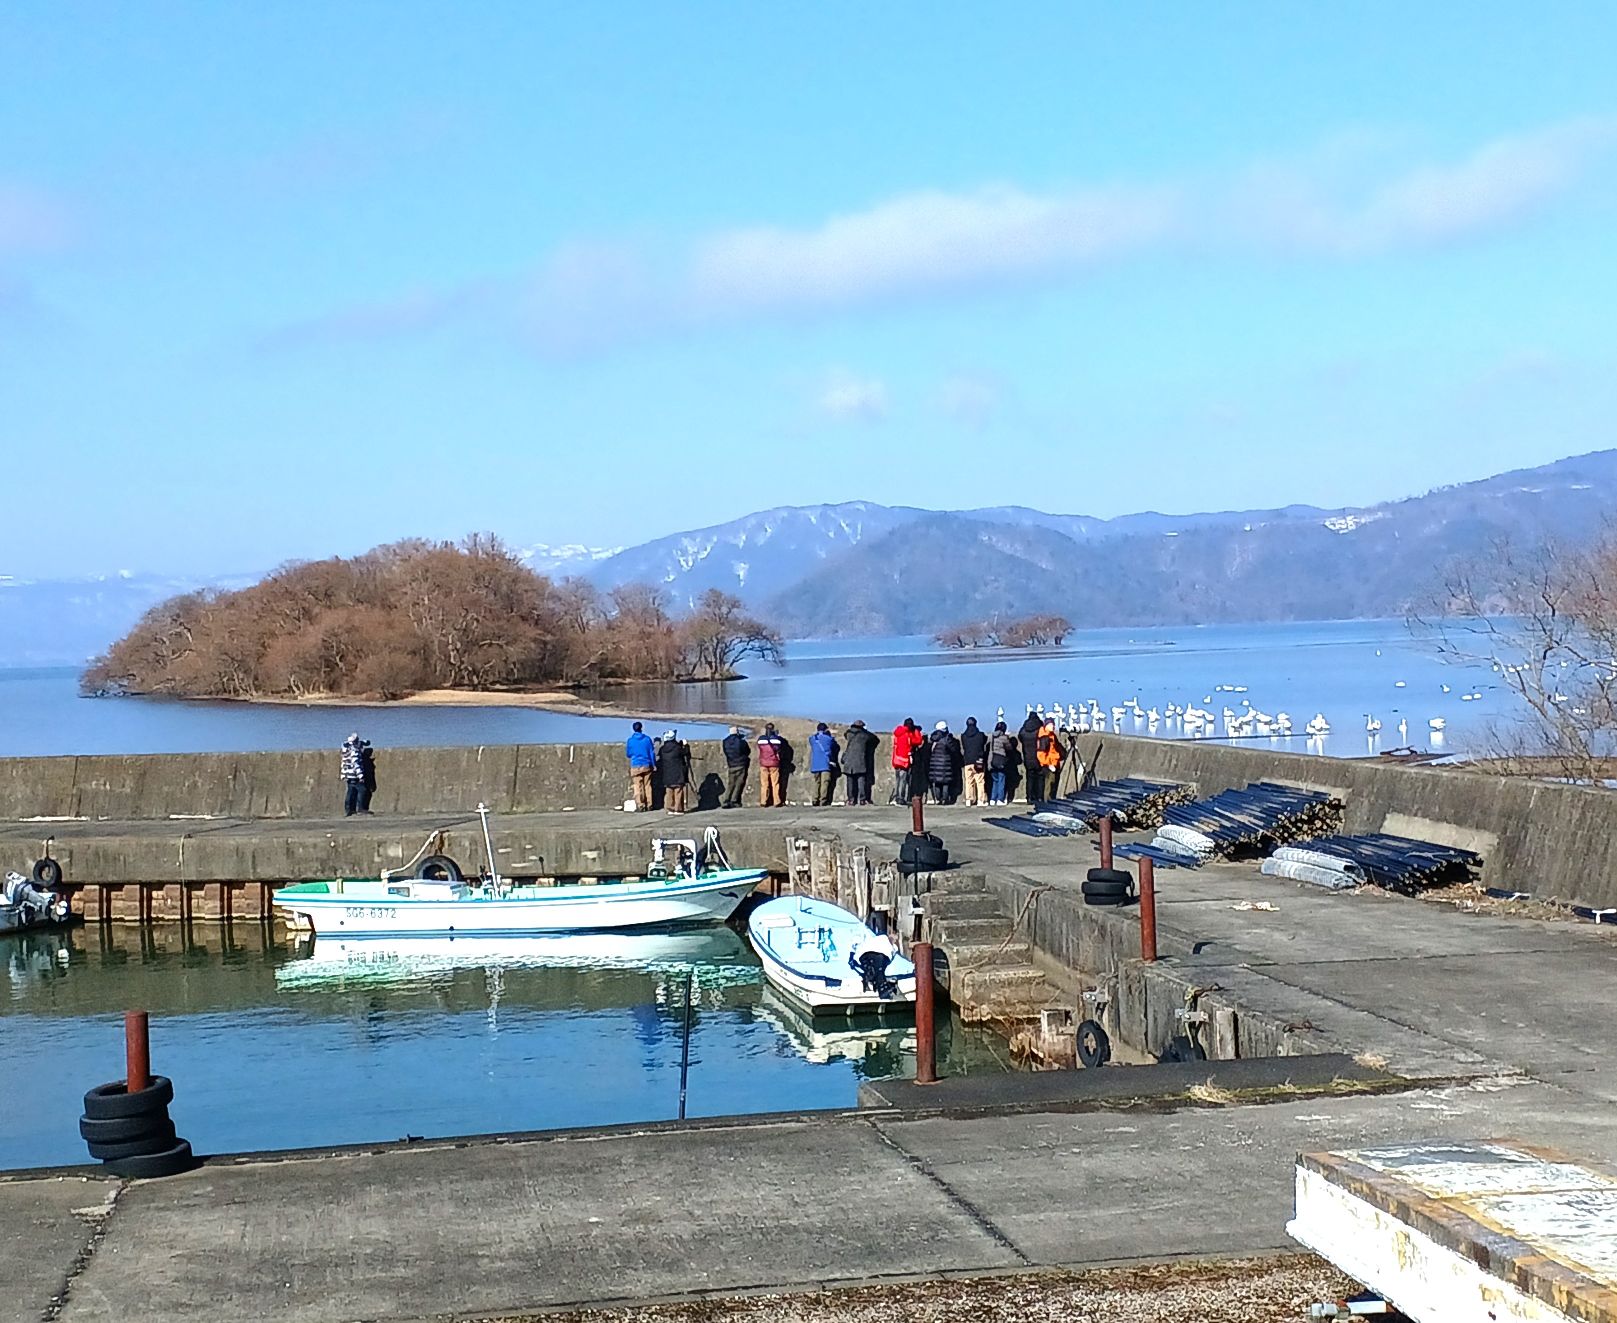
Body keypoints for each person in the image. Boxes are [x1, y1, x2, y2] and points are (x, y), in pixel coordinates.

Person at [841, 719, 879, 805]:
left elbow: (845, 735)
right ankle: (862, 799)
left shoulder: (849, 734)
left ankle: (851, 799)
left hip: (849, 761)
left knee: (850, 782)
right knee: (861, 781)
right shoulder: (864, 735)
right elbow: (875, 739)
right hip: (860, 761)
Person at [926, 720, 962, 805]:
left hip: (934, 764)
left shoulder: (933, 739)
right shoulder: (946, 739)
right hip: (945, 764)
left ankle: (938, 799)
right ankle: (944, 799)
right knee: (945, 782)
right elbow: (953, 750)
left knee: (937, 782)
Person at [890, 717, 924, 805]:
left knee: (898, 779)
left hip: (897, 759)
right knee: (903, 780)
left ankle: (897, 797)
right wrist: (917, 731)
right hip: (904, 760)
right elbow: (918, 741)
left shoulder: (898, 733)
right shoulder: (908, 734)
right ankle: (901, 798)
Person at [656, 729, 691, 814]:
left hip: (667, 774)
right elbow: (685, 753)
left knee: (669, 791)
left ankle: (669, 808)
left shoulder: (662, 749)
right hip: (678, 773)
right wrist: (686, 745)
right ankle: (678, 809)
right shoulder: (677, 748)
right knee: (678, 790)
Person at [624, 721, 656, 811]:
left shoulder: (630, 741)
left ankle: (641, 805)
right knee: (647, 785)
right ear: (641, 728)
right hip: (646, 764)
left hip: (635, 765)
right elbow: (651, 753)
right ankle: (650, 804)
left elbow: (628, 754)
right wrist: (653, 764)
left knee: (638, 786)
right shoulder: (647, 739)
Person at [959, 716, 988, 807]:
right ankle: (981, 800)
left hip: (968, 760)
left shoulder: (963, 736)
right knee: (979, 781)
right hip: (978, 760)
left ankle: (969, 799)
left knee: (968, 781)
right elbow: (984, 740)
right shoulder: (980, 735)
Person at [808, 722, 839, 807]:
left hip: (815, 764)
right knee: (824, 783)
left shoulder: (812, 738)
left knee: (816, 783)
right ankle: (823, 800)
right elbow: (834, 746)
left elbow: (812, 741)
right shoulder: (829, 739)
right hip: (825, 764)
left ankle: (815, 800)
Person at [757, 722, 787, 807]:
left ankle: (763, 801)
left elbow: (760, 748)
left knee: (764, 783)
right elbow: (779, 748)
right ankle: (777, 801)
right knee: (775, 783)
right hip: (774, 763)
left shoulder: (761, 739)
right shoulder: (777, 740)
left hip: (763, 763)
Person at [987, 720, 1017, 805]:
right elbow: (1009, 748)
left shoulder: (991, 736)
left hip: (992, 760)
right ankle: (1000, 799)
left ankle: (993, 799)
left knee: (995, 781)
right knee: (1001, 780)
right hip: (1000, 760)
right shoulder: (1004, 738)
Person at [720, 726, 750, 808]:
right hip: (741, 764)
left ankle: (726, 800)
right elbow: (747, 751)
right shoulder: (740, 742)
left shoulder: (725, 742)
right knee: (739, 783)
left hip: (731, 764)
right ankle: (734, 800)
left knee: (731, 783)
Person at [1037, 714, 1064, 800]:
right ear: (1046, 725)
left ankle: (1051, 801)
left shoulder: (1051, 735)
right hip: (1049, 765)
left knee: (1053, 785)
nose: (1053, 726)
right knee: (1049, 785)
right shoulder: (1044, 737)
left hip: (1054, 763)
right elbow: (1040, 754)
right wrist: (1048, 764)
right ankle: (1047, 803)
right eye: (1051, 725)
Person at [1018, 712, 1044, 804]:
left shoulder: (1024, 729)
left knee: (1030, 778)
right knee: (1040, 777)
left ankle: (1029, 797)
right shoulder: (1039, 728)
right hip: (1039, 757)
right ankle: (1039, 797)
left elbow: (1019, 736)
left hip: (1028, 757)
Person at [340, 733, 367, 816]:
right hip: (354, 775)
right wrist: (361, 776)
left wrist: (343, 775)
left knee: (350, 792)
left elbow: (344, 764)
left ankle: (348, 810)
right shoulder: (354, 752)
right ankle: (360, 809)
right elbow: (356, 764)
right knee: (362, 790)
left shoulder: (345, 750)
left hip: (348, 775)